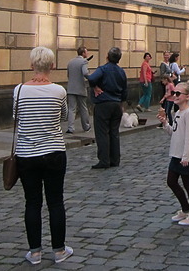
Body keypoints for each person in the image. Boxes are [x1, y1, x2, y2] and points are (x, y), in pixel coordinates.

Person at [13, 47, 73, 265]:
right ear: (52, 66)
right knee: (55, 201)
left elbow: (15, 116)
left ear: (31, 66)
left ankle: (35, 252)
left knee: (32, 202)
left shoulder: (19, 90)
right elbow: (64, 116)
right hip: (54, 151)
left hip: (26, 154)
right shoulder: (58, 91)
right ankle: (59, 250)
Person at [158, 81, 189, 225]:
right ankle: (185, 209)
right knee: (171, 181)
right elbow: (174, 132)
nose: (174, 96)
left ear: (187, 97)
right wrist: (165, 123)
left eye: (178, 93)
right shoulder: (178, 112)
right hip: (176, 154)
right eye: (173, 93)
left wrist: (186, 156)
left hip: (185, 156)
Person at [87, 47, 128, 169]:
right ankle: (115, 159)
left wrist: (94, 86)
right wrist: (122, 103)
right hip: (117, 104)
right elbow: (125, 91)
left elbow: (91, 79)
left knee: (102, 133)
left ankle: (104, 160)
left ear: (107, 57)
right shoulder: (121, 72)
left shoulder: (103, 69)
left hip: (103, 104)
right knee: (114, 132)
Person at [65, 47, 91, 134]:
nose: (87, 54)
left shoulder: (70, 62)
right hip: (80, 88)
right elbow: (85, 73)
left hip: (71, 88)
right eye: (86, 52)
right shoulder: (84, 61)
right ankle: (86, 126)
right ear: (83, 53)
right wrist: (90, 76)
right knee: (83, 108)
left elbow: (68, 75)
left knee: (71, 109)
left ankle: (70, 128)